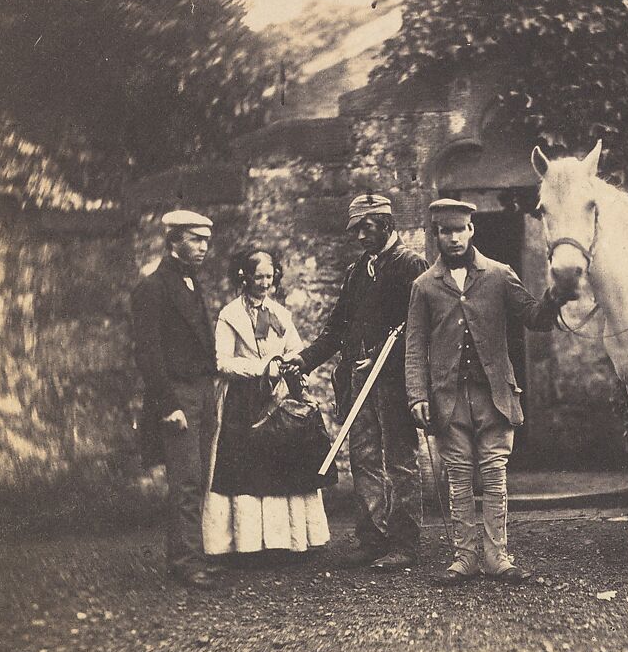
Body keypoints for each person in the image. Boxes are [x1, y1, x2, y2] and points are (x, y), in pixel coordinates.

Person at [406, 198, 573, 586]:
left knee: (495, 474)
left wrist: (555, 296)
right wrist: (417, 394)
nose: (453, 238)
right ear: (437, 236)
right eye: (445, 232)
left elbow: (534, 317)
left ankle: (498, 555)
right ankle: (465, 556)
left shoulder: (499, 275)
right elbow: (414, 345)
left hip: (494, 395)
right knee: (460, 477)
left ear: (472, 230)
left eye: (460, 230)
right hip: (448, 398)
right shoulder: (424, 286)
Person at [291, 194, 428, 570]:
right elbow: (335, 330)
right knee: (364, 456)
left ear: (387, 224)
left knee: (400, 460)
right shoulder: (356, 272)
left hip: (394, 380)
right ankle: (372, 538)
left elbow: (422, 329)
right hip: (356, 380)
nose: (359, 235)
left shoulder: (411, 265)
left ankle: (405, 543)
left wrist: (389, 361)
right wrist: (303, 360)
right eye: (356, 228)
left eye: (367, 227)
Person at [204, 247, 333, 564]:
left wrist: (288, 366)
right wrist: (262, 368)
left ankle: (287, 540)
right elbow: (221, 362)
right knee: (243, 468)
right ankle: (246, 544)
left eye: (269, 276)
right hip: (243, 402)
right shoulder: (230, 315)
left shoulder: (281, 314)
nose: (264, 283)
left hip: (279, 397)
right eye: (257, 276)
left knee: (283, 462)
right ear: (243, 277)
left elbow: (296, 349)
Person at [131, 210, 221, 589]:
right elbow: (148, 353)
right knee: (185, 479)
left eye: (205, 239)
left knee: (197, 477)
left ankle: (185, 555)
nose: (204, 247)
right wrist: (168, 405)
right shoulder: (153, 287)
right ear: (173, 241)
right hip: (178, 394)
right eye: (195, 239)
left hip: (202, 390)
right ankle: (187, 562)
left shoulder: (189, 282)